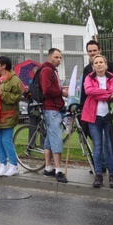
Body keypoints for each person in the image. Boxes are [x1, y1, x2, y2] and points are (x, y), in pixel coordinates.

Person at [80, 40, 113, 171]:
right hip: (92, 111)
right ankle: (99, 169)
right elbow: (87, 91)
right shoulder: (87, 71)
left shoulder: (112, 68)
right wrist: (106, 93)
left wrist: (106, 95)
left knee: (110, 144)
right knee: (97, 144)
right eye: (90, 51)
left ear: (100, 51)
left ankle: (112, 169)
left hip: (109, 112)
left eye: (94, 50)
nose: (92, 53)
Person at [40, 48, 69, 183]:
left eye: (60, 57)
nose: (59, 60)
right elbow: (47, 89)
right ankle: (58, 169)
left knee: (50, 138)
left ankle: (48, 167)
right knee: (56, 137)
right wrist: (61, 92)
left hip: (54, 107)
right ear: (49, 57)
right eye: (56, 57)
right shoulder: (47, 70)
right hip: (51, 108)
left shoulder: (52, 70)